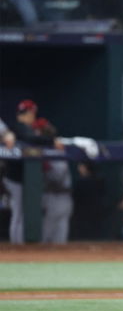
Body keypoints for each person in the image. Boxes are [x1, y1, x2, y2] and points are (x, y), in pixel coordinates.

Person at [3, 100, 61, 244]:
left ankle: (18, 243)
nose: (32, 116)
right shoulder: (17, 127)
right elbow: (30, 138)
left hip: (20, 177)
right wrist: (51, 141)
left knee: (21, 213)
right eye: (30, 113)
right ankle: (16, 245)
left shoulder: (22, 128)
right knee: (18, 213)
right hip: (14, 177)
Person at [34, 118, 73, 245]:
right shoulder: (42, 148)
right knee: (46, 235)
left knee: (60, 236)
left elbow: (58, 174)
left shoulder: (57, 145)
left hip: (62, 196)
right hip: (51, 195)